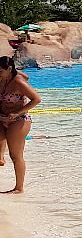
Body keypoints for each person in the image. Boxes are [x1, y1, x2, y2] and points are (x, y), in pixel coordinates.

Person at [0, 56, 39, 193]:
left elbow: (36, 99)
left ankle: (19, 188)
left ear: (9, 69)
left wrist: (17, 114)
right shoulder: (2, 80)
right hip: (2, 118)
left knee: (15, 155)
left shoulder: (18, 82)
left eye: (0, 71)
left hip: (19, 120)